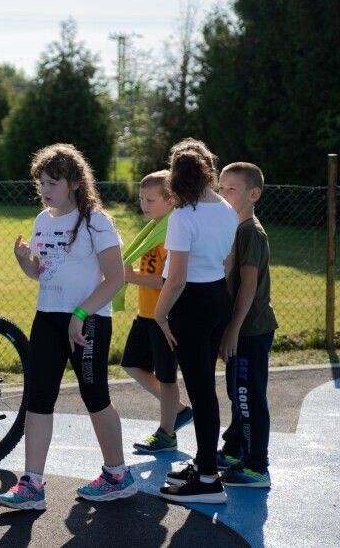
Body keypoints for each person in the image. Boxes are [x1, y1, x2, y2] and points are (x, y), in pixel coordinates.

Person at [0, 144, 135, 511]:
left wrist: (81, 313)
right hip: (48, 316)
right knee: (39, 398)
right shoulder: (43, 220)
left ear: (74, 183)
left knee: (95, 396)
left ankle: (118, 475)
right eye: (41, 183)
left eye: (53, 183)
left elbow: (116, 278)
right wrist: (25, 263)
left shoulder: (96, 221)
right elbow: (43, 271)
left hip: (88, 319)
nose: (44, 190)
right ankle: (32, 484)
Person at [155, 139, 239, 504]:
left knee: (202, 393)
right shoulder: (227, 209)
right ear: (209, 170)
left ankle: (207, 479)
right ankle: (204, 465)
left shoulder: (183, 217)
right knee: (205, 390)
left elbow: (176, 279)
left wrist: (159, 314)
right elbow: (228, 263)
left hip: (190, 306)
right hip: (217, 299)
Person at [117, 170, 194, 453]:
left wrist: (130, 276)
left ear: (170, 200)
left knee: (166, 377)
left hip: (164, 317)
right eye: (141, 199)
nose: (143, 205)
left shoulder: (170, 234)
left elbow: (167, 280)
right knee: (131, 364)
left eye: (150, 200)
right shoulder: (153, 230)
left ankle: (167, 433)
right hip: (145, 314)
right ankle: (179, 411)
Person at [216, 161, 277, 488]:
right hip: (241, 329)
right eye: (221, 188)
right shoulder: (235, 228)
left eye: (231, 189)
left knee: (248, 396)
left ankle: (256, 466)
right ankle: (234, 449)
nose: (223, 195)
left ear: (253, 194)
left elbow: (248, 285)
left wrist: (233, 330)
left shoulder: (250, 231)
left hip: (251, 330)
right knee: (236, 392)